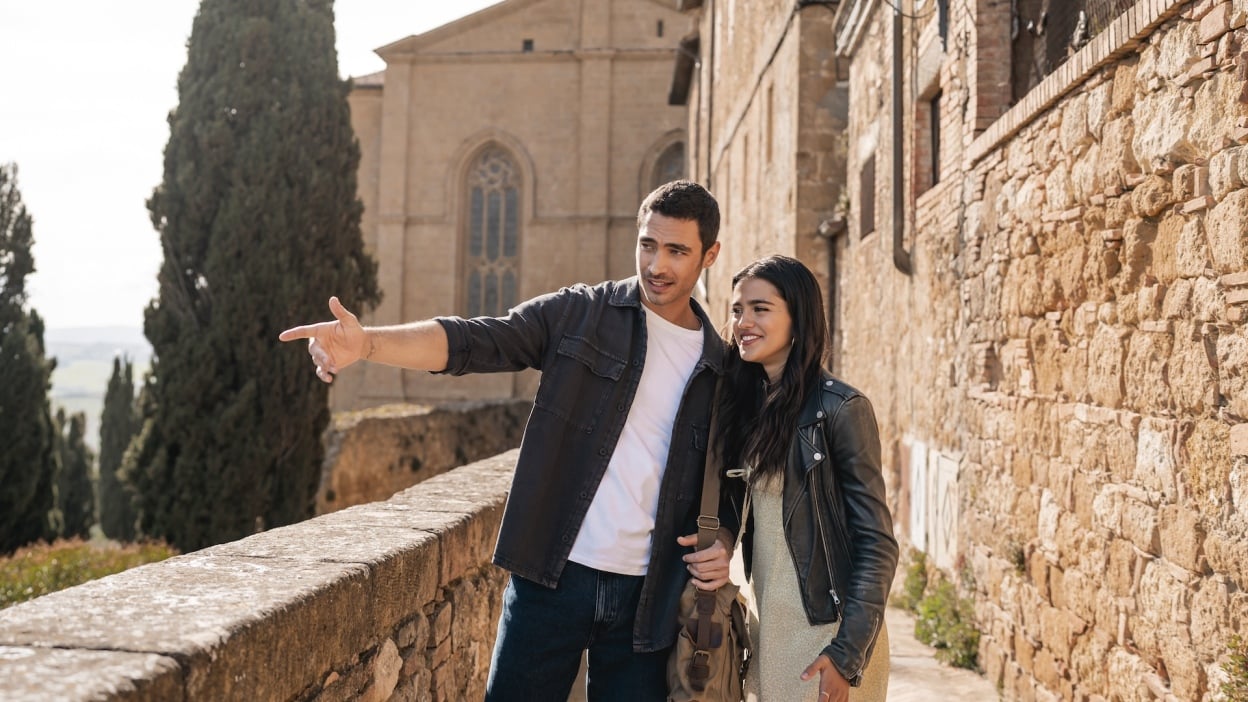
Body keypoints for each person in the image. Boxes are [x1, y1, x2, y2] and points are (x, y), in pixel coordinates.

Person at [280, 180, 738, 701]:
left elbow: (732, 480)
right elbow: (475, 340)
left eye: (676, 251)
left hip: (648, 600)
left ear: (710, 255)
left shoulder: (721, 370)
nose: (656, 264)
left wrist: (724, 539)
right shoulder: (580, 315)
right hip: (551, 579)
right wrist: (367, 344)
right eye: (647, 245)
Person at [718, 255, 899, 702]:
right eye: (738, 309)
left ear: (798, 318)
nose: (744, 321)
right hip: (770, 633)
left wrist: (846, 654)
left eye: (761, 309)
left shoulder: (841, 409)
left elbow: (877, 544)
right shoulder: (750, 409)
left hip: (827, 639)